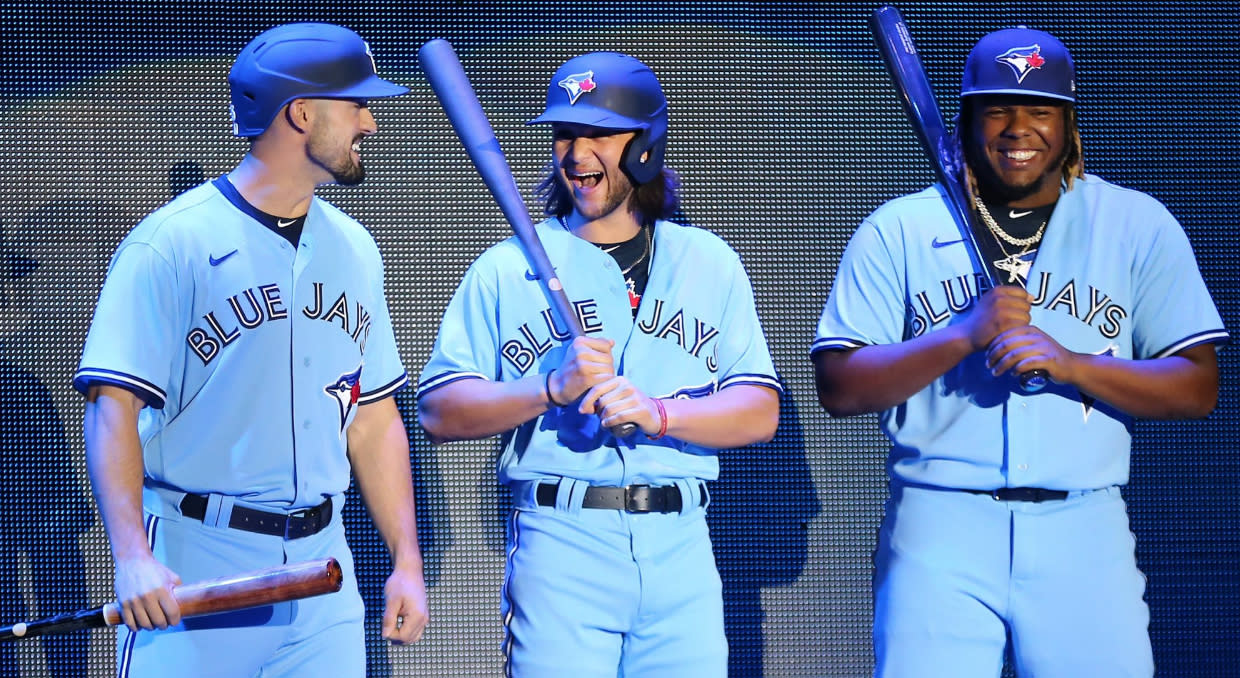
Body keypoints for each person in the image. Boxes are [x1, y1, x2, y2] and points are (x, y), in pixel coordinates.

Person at [812, 26, 1227, 677]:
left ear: (1067, 124)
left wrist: (1073, 365)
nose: (1019, 127)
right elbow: (839, 386)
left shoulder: (1134, 223)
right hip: (939, 524)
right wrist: (958, 337)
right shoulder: (900, 229)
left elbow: (1198, 387)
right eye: (999, 107)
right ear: (967, 119)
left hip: (1083, 526)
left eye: (1039, 110)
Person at [74, 22, 429, 677]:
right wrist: (130, 555)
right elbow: (111, 406)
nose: (370, 123)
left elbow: (375, 419)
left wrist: (406, 560)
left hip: (324, 573)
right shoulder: (171, 242)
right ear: (302, 113)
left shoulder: (356, 248)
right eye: (358, 104)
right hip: (198, 566)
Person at [417, 51, 781, 677]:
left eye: (598, 134)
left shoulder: (707, 260)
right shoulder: (508, 267)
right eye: (566, 133)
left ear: (643, 144)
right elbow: (439, 409)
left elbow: (759, 410)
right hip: (563, 539)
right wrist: (550, 388)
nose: (577, 154)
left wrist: (661, 413)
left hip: (682, 545)